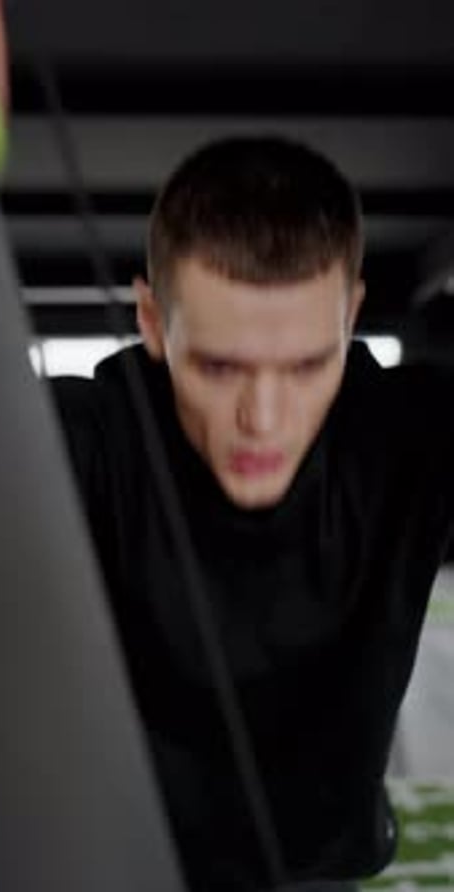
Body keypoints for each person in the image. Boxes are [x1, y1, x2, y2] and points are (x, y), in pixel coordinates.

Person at [51, 134, 454, 892]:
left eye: (307, 365)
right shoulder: (85, 439)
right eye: (219, 365)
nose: (264, 419)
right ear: (149, 320)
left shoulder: (409, 436)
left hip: (326, 873)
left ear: (352, 316)